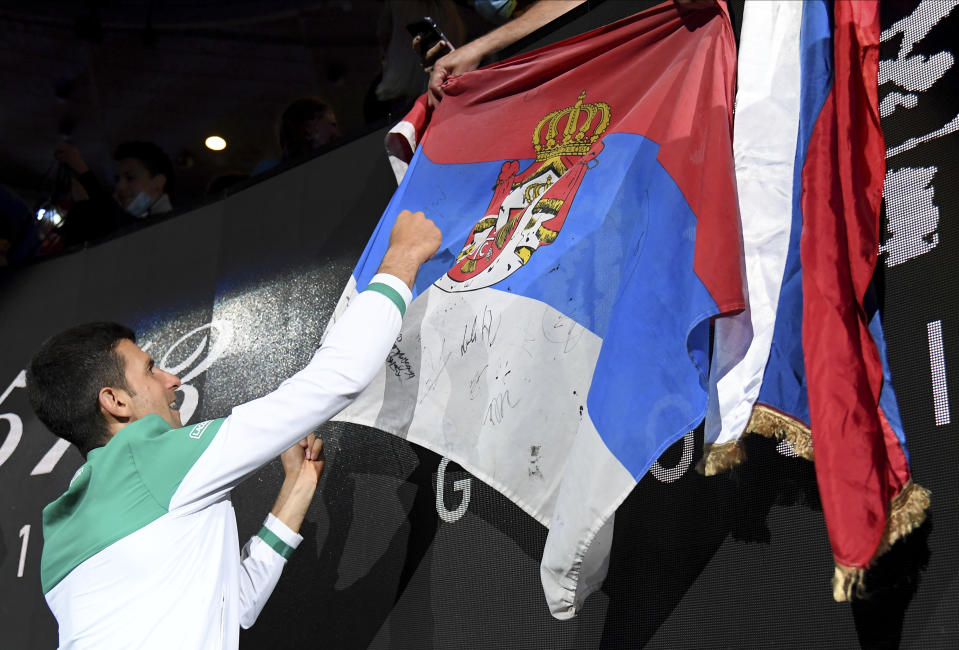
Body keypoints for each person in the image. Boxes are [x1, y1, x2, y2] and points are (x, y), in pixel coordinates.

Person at [27, 209, 442, 649]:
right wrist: (401, 257)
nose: (173, 380)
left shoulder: (61, 532)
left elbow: (230, 603)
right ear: (115, 402)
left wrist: (295, 493)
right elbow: (336, 379)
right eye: (150, 369)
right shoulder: (147, 462)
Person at [52, 140, 175, 248]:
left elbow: (113, 215)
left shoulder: (167, 230)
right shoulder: (137, 215)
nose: (120, 187)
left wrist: (81, 170)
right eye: (118, 179)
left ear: (158, 183)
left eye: (130, 178)